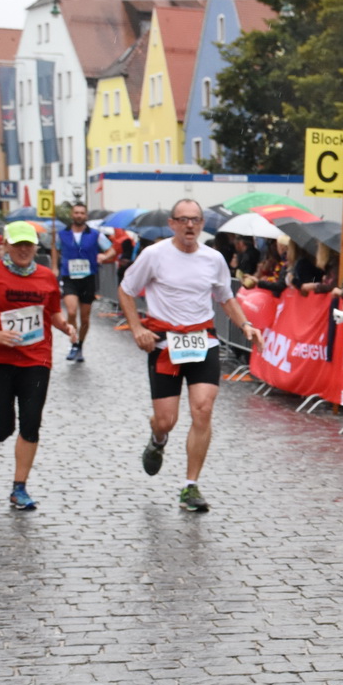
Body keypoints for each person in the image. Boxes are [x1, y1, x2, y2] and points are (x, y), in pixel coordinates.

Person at [118, 198, 263, 514]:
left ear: (201, 224)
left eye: (195, 220)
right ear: (172, 223)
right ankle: (157, 439)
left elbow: (226, 297)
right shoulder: (154, 255)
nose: (189, 225)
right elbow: (126, 289)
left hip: (202, 342)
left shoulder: (214, 259)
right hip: (164, 345)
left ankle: (190, 486)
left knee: (203, 409)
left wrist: (246, 325)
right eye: (182, 219)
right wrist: (136, 328)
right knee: (167, 420)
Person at [0, 222, 75, 510]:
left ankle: (19, 487)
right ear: (5, 245)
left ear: (35, 247)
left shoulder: (46, 277)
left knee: (31, 422)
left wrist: (64, 326)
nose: (23, 250)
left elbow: (53, 311)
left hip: (36, 358)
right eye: (17, 244)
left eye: (28, 245)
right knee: (5, 424)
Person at [52, 202, 117, 363]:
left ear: (86, 216)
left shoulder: (95, 234)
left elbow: (112, 249)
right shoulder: (62, 234)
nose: (79, 215)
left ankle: (80, 345)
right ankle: (73, 342)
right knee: (72, 312)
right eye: (76, 212)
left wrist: (104, 256)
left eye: (82, 213)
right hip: (69, 277)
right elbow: (55, 248)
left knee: (85, 318)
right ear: (72, 215)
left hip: (88, 278)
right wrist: (54, 266)